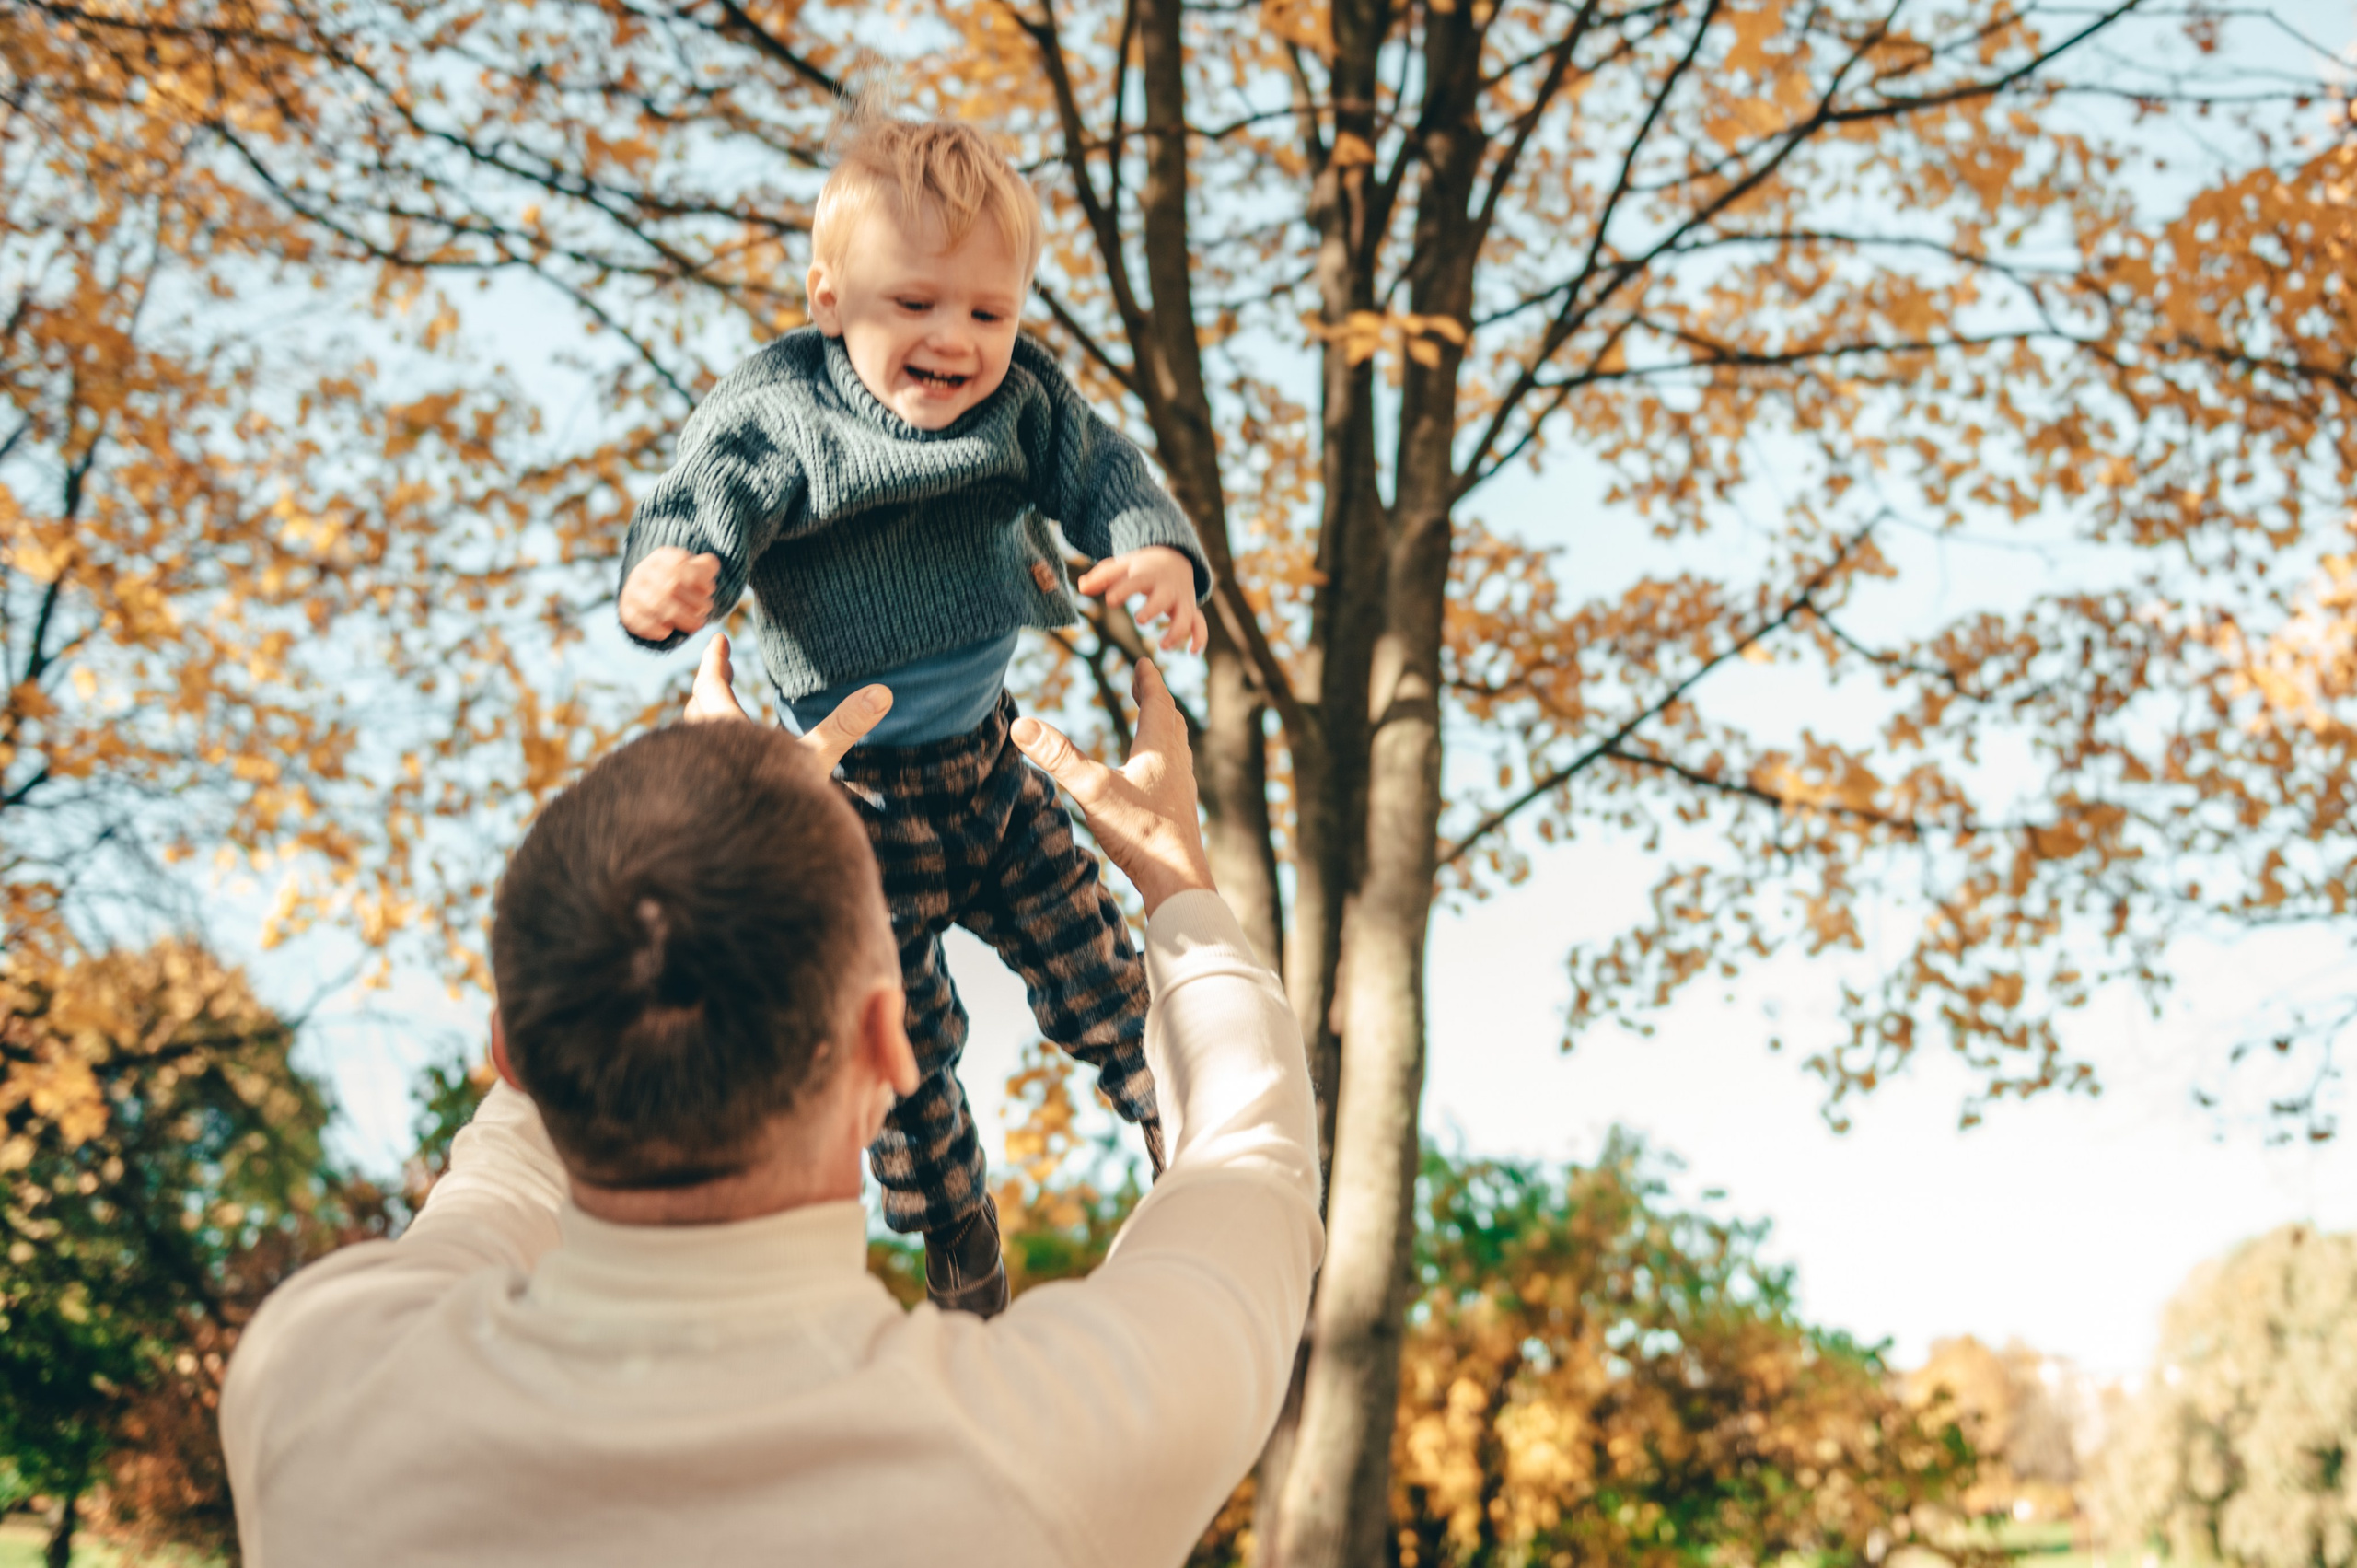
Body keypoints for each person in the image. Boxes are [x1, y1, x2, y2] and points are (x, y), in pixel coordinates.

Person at [217, 646, 1321, 1568]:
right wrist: (1178, 886)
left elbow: (495, 1190)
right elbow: (1251, 1170)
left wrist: (709, 819)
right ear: (889, 1046)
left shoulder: (312, 1376)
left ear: (512, 1048)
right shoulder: (1042, 1452)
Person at [614, 110, 1213, 1315]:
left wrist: (1156, 553)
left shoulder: (1024, 401)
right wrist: (670, 575)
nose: (957, 339)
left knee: (1087, 947)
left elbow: (1101, 474)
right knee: (899, 1027)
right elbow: (706, 496)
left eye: (989, 314)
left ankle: (1180, 1128)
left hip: (990, 768)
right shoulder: (781, 407)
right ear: (831, 299)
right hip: (852, 797)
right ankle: (951, 1223)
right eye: (918, 305)